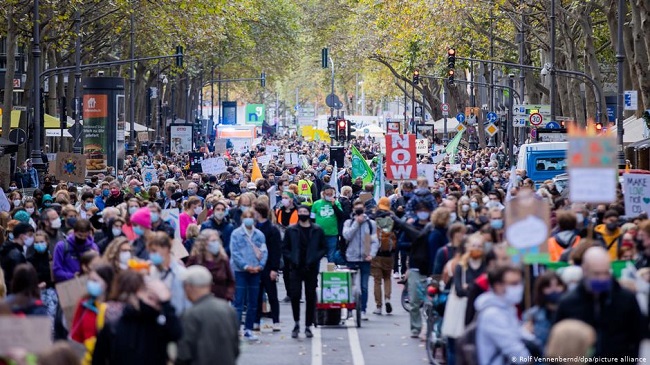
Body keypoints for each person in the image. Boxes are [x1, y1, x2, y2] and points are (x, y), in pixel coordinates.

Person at [555, 246, 643, 358]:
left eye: (605, 273)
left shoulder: (625, 299)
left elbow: (638, 334)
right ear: (585, 270)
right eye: (596, 274)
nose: (602, 279)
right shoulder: (569, 303)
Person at [92, 277, 182, 365]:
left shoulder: (160, 328)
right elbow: (99, 358)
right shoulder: (114, 326)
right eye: (150, 298)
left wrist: (167, 303)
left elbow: (176, 333)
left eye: (158, 303)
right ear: (139, 293)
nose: (152, 304)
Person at [176, 265, 240, 365]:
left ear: (189, 287)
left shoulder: (190, 314)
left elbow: (184, 353)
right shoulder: (228, 309)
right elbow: (235, 347)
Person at [282, 205, 327, 339]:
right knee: (295, 296)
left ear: (309, 213)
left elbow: (323, 247)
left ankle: (308, 325)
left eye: (305, 211)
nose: (302, 214)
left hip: (311, 267)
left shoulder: (317, 230)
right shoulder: (291, 230)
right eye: (300, 212)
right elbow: (285, 248)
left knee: (310, 296)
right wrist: (292, 259)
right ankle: (296, 323)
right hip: (296, 267)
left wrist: (314, 258)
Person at [391, 202, 435, 337]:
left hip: (431, 268)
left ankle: (430, 328)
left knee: (431, 302)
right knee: (415, 301)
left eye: (425, 210)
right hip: (415, 266)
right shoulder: (411, 226)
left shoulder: (433, 227)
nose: (423, 213)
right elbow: (401, 244)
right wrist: (415, 243)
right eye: (420, 210)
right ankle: (415, 328)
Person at [475, 265, 532, 365]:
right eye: (514, 283)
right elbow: (516, 352)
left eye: (520, 282)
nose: (519, 287)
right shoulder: (493, 314)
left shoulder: (508, 308)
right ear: (498, 286)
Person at [230, 209, 268, 342]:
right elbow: (235, 253)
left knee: (253, 302)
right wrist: (245, 266)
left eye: (251, 217)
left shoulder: (259, 235)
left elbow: (264, 251)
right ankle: (236, 330)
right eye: (246, 217)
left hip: (256, 271)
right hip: (240, 271)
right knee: (238, 302)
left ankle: (248, 329)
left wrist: (260, 266)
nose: (248, 219)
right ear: (242, 219)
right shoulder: (236, 234)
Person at [70, 261, 115, 365]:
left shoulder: (114, 308)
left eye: (95, 281)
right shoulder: (84, 304)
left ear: (107, 283)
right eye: (89, 280)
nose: (90, 284)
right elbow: (76, 336)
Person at [342, 200, 379, 321]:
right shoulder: (348, 222)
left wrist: (371, 254)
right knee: (351, 286)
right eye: (356, 210)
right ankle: (350, 310)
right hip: (351, 257)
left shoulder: (371, 224)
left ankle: (363, 310)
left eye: (361, 210)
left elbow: (374, 241)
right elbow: (346, 236)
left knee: (364, 286)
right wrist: (356, 224)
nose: (359, 212)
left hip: (365, 258)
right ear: (353, 210)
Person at [253, 201, 282, 332]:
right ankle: (256, 321)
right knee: (256, 295)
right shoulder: (253, 228)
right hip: (255, 266)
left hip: (268, 266)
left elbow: (276, 250)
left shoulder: (272, 229)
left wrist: (274, 269)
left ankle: (276, 321)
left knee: (272, 295)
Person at [147, 231, 191, 316]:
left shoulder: (180, 274)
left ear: (166, 248)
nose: (152, 255)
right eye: (150, 251)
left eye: (154, 251)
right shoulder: (152, 270)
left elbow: (183, 305)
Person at [186, 229, 235, 301]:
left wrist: (228, 296)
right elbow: (186, 279)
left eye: (217, 241)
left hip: (220, 301)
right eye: (213, 241)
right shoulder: (195, 260)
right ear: (204, 243)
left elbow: (231, 281)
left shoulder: (223, 259)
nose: (216, 243)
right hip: (199, 302)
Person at [522, 271, 566, 349]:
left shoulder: (571, 313)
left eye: (558, 285)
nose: (554, 289)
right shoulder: (531, 315)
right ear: (541, 290)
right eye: (548, 286)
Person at [371, 197, 396, 315]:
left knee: (377, 281)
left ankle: (378, 306)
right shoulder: (392, 218)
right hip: (388, 253)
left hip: (376, 253)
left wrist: (367, 253)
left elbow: (368, 236)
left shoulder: (372, 218)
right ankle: (387, 298)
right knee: (387, 278)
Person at [311, 185, 344, 262]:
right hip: (319, 234)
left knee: (331, 255)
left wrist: (334, 205)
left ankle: (330, 272)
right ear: (323, 194)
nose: (329, 196)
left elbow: (341, 215)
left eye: (331, 194)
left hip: (332, 233)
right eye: (327, 194)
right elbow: (312, 218)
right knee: (317, 255)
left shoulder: (336, 203)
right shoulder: (316, 204)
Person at [0, 223, 32, 292]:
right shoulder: (16, 255)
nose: (32, 238)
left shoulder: (7, 248)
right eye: (30, 235)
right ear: (22, 236)